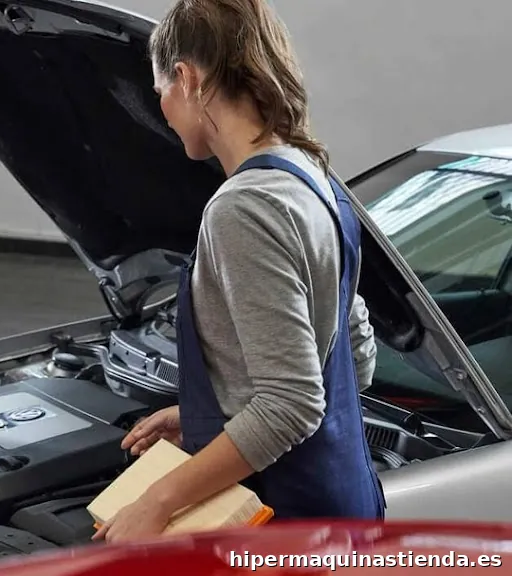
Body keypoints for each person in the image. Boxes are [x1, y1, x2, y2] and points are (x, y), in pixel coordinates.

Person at [94, 0, 384, 543]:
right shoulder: (314, 180)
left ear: (186, 77)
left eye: (160, 91)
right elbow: (353, 359)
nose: (161, 106)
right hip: (342, 507)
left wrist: (156, 503)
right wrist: (208, 413)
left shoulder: (244, 209)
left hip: (280, 523)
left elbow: (292, 404)